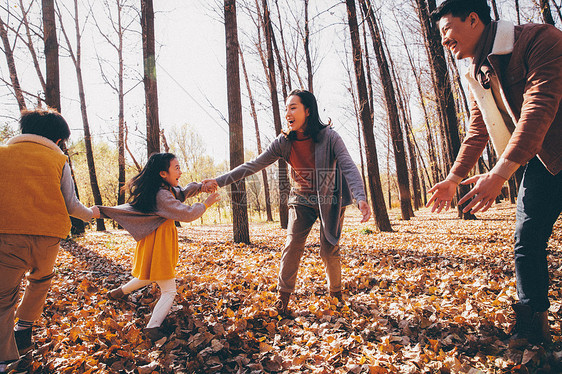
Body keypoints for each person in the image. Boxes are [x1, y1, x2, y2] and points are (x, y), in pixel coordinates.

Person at [428, 0, 562, 345]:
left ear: (474, 20)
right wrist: (454, 178)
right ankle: (533, 326)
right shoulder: (476, 71)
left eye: (447, 31)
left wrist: (500, 173)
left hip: (547, 145)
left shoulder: (539, 39)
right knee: (526, 240)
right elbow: (479, 128)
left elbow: (539, 107)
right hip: (543, 162)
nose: (444, 41)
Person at [203, 89, 371, 315]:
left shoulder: (330, 137)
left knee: (328, 251)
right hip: (301, 198)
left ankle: (336, 294)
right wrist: (218, 180)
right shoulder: (284, 142)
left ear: (307, 111)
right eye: (286, 109)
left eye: (293, 108)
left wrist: (360, 197)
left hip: (330, 197)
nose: (288, 113)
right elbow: (252, 165)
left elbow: (348, 166)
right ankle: (282, 300)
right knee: (292, 246)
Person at [0, 109, 98, 372]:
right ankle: (25, 325)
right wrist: (91, 214)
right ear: (57, 140)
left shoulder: (2, 154)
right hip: (48, 236)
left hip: (7, 235)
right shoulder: (59, 160)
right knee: (40, 280)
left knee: (3, 297)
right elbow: (70, 203)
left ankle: (4, 358)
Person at [97, 152, 220, 341]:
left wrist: (201, 187)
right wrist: (205, 204)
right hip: (158, 245)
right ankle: (153, 327)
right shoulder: (161, 195)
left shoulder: (164, 189)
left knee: (149, 274)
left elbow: (182, 192)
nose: (180, 171)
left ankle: (118, 293)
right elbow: (186, 214)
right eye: (176, 168)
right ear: (163, 173)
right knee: (169, 289)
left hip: (155, 241)